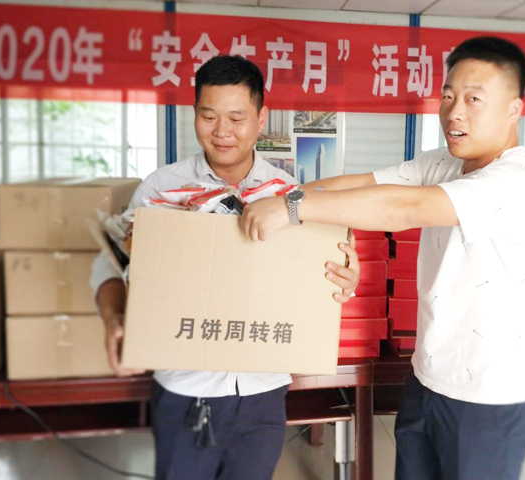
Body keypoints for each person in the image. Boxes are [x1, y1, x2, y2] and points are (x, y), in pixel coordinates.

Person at [241, 36, 525, 480]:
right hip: (428, 377)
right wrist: (278, 196)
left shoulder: (520, 182)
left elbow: (404, 208)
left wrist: (292, 209)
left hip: (489, 396)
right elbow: (362, 185)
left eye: (473, 99)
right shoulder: (443, 163)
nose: (454, 112)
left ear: (514, 110)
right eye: (448, 96)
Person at [90, 55, 360, 480]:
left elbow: (320, 274)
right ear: (193, 113)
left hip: (263, 391)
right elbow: (109, 266)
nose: (222, 131)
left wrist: (344, 277)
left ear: (261, 118)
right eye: (208, 116)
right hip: (185, 388)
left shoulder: (289, 195)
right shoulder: (163, 188)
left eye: (236, 117)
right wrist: (113, 318)